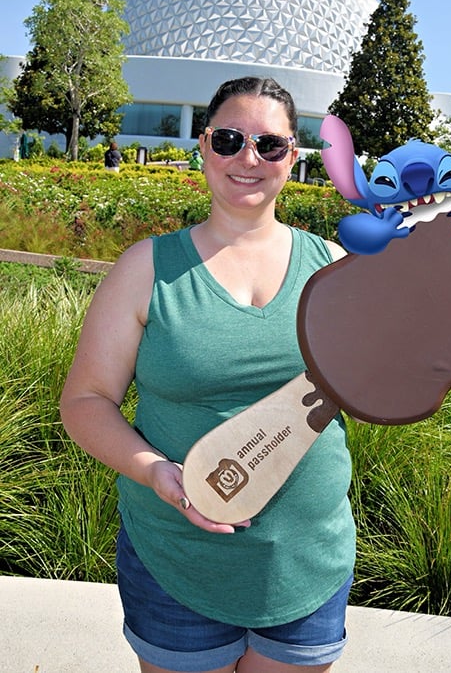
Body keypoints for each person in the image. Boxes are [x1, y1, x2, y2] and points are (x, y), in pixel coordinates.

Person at [60, 76, 355, 673]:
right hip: (176, 561)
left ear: (291, 160)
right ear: (203, 147)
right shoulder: (147, 267)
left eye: (270, 145)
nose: (248, 158)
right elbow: (86, 400)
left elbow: (391, 375)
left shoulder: (335, 267)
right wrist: (157, 473)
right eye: (229, 139)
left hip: (305, 560)